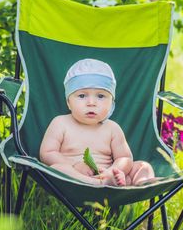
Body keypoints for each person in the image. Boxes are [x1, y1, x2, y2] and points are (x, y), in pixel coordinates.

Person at [39, 58, 155, 186]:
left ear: (112, 103)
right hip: (75, 179)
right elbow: (47, 153)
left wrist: (113, 171)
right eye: (82, 96)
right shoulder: (60, 123)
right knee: (57, 168)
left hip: (108, 174)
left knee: (144, 166)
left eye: (100, 96)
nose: (91, 103)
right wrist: (74, 165)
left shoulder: (112, 128)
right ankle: (94, 183)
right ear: (68, 102)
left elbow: (125, 157)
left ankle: (142, 185)